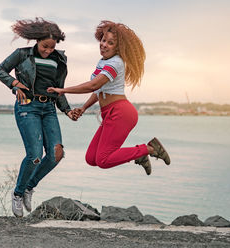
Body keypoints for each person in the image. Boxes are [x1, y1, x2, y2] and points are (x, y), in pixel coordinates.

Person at [47, 20, 170, 175]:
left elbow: (92, 85)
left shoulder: (116, 63)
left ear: (118, 48)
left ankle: (150, 149)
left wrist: (63, 90)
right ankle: (139, 154)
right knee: (91, 158)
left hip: (121, 113)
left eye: (110, 43)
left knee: (103, 160)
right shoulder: (103, 61)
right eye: (104, 40)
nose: (104, 45)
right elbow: (98, 89)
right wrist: (84, 108)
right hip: (109, 113)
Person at [0, 18, 76, 217]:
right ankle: (17, 194)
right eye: (44, 46)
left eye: (51, 47)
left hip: (48, 108)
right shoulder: (22, 54)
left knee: (56, 154)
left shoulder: (59, 59)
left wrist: (67, 110)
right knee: (35, 156)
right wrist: (14, 84)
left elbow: (59, 89)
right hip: (27, 107)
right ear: (36, 41)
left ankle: (29, 187)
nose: (48, 50)